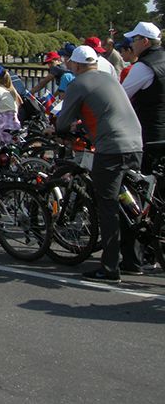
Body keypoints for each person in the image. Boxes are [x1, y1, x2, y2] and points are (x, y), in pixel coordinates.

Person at [57, 45, 145, 281]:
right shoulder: (110, 78)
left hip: (111, 148)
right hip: (136, 143)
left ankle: (109, 268)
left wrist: (58, 130)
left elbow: (63, 121)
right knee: (128, 204)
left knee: (106, 205)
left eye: (70, 64)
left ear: (76, 65)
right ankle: (133, 261)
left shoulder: (78, 83)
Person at [120, 21, 165, 174]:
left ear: (145, 41)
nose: (131, 44)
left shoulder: (144, 66)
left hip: (149, 133)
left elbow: (120, 97)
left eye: (134, 40)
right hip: (162, 132)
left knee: (139, 181)